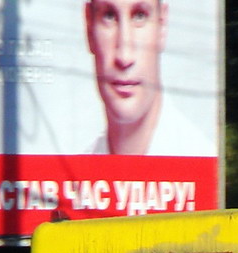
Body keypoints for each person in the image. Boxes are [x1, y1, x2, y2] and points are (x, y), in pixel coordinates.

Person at [84, 0, 210, 155]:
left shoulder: (200, 163)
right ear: (89, 28)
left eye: (139, 16)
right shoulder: (72, 174)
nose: (124, 57)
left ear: (162, 26)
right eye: (109, 16)